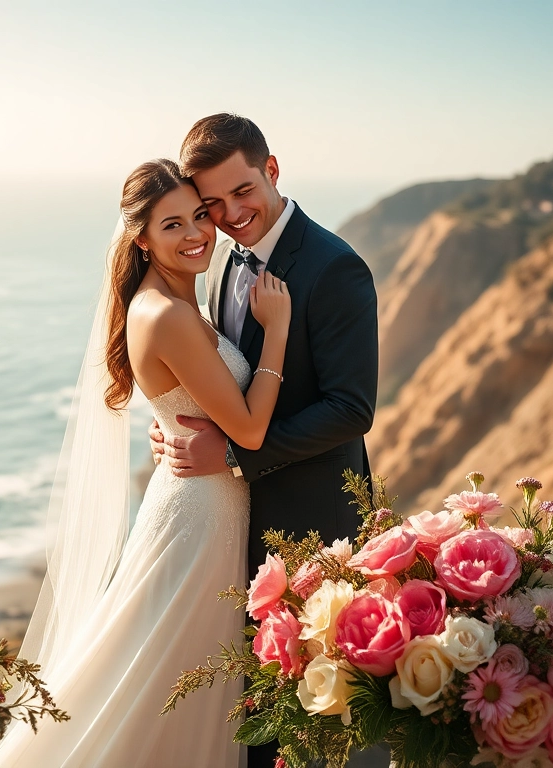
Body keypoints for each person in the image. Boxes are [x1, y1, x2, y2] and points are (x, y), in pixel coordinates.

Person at [0, 158, 290, 767]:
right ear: (141, 238)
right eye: (172, 225)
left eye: (199, 216)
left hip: (204, 502)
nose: (197, 233)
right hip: (198, 518)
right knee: (164, 681)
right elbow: (251, 429)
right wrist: (276, 329)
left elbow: (188, 397)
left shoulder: (177, 298)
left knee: (170, 678)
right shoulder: (168, 314)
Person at [149, 113, 380, 768]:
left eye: (243, 192)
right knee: (250, 712)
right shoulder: (223, 259)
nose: (229, 213)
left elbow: (350, 408)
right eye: (211, 203)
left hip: (313, 524)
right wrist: (179, 416)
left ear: (272, 170)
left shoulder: (336, 268)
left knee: (311, 721)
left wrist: (230, 453)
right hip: (236, 527)